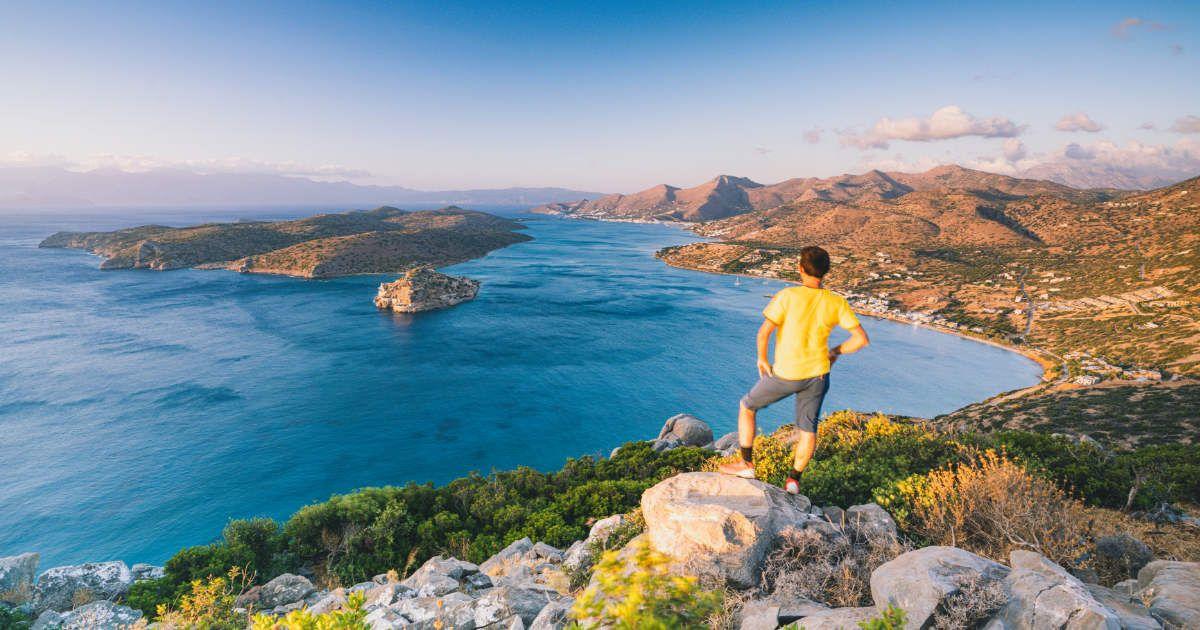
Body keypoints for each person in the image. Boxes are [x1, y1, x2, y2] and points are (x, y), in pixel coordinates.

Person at [718, 245, 870, 494]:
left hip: (787, 373)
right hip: (818, 375)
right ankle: (793, 481)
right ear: (826, 272)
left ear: (799, 268)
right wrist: (835, 352)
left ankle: (746, 463)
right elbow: (861, 339)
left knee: (747, 406)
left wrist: (762, 359)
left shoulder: (788, 296)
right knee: (807, 430)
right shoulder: (836, 301)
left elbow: (764, 332)